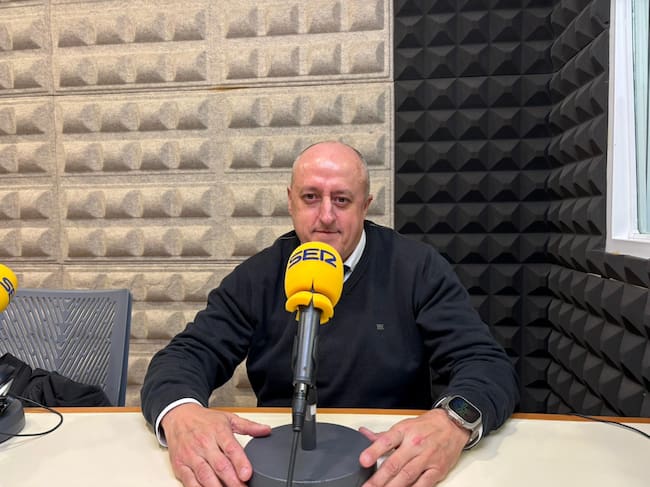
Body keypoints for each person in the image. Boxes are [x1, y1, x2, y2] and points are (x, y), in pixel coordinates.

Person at [141, 140, 519, 487]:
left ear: (365, 205)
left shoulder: (416, 268)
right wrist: (181, 413)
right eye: (310, 197)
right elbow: (185, 357)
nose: (325, 216)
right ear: (290, 201)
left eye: (341, 200)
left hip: (389, 468)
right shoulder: (258, 276)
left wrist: (453, 421)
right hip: (277, 472)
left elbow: (486, 364)